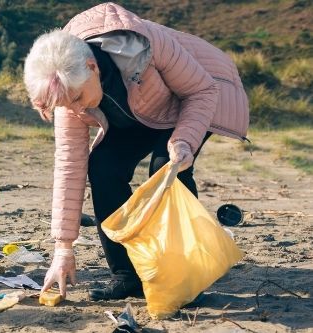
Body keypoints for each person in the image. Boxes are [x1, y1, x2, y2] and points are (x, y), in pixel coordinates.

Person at [22, 3, 249, 300]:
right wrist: (62, 249)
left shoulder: (146, 44)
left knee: (167, 168)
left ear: (93, 68)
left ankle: (185, 275)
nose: (77, 110)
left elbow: (201, 91)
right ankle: (128, 275)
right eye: (67, 105)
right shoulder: (67, 86)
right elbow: (69, 165)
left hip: (192, 94)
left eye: (78, 98)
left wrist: (184, 141)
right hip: (134, 115)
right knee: (102, 167)